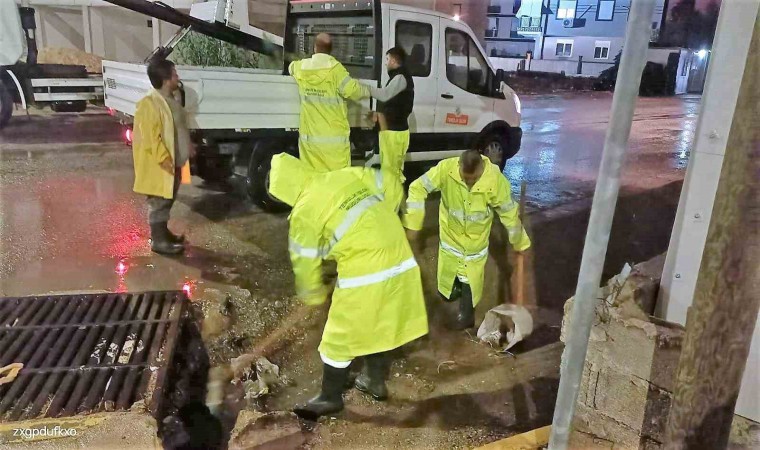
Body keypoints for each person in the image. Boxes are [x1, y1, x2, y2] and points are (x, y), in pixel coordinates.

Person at [268, 153, 428, 420]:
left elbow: (305, 263)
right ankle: (373, 381)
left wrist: (313, 295)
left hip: (367, 271)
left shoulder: (304, 212)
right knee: (383, 321)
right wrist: (378, 222)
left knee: (336, 338)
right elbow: (389, 181)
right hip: (399, 254)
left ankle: (329, 398)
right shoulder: (342, 175)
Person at [403, 149, 531, 329]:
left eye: (473, 179)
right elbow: (417, 187)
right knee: (447, 281)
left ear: (481, 169)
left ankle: (467, 315)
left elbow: (509, 213)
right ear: (459, 167)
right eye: (465, 179)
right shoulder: (446, 170)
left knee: (469, 279)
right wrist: (413, 223)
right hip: (451, 238)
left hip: (475, 245)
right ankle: (451, 291)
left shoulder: (494, 180)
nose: (469, 183)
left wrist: (520, 242)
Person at [132, 58, 193, 255]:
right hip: (161, 165)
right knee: (159, 203)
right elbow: (151, 138)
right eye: (175, 74)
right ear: (166, 79)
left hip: (172, 163)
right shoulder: (149, 104)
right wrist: (164, 160)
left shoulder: (170, 99)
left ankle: (163, 234)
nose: (178, 78)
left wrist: (188, 147)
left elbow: (176, 128)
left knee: (167, 201)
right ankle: (159, 242)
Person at [289, 33, 370, 172]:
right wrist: (368, 90)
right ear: (330, 49)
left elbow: (291, 67)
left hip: (310, 142)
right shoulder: (336, 70)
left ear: (315, 48)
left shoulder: (302, 67)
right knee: (336, 183)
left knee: (314, 181)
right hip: (334, 143)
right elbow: (354, 91)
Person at [369, 46, 415, 213]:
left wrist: (365, 88)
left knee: (391, 175)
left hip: (394, 134)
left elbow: (385, 95)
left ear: (394, 60)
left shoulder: (400, 77)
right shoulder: (399, 77)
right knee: (392, 174)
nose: (386, 63)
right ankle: (400, 209)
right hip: (393, 132)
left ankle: (391, 212)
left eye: (387, 59)